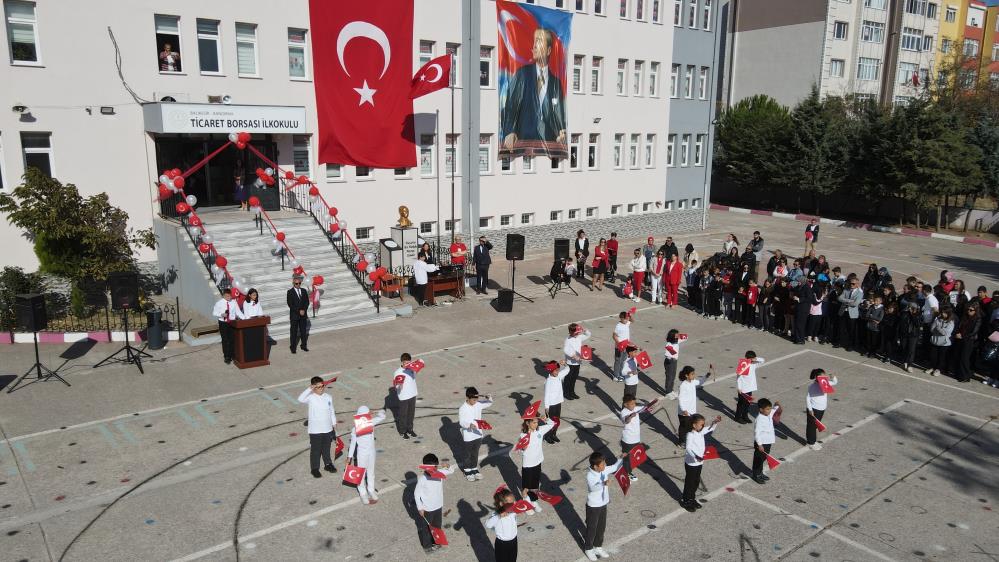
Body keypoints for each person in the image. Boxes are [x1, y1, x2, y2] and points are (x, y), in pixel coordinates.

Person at [500, 28, 567, 154]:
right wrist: (509, 131)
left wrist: (561, 132)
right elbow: (509, 107)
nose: (534, 46)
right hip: (522, 145)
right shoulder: (522, 74)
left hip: (548, 148)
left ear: (548, 50)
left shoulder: (556, 83)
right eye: (534, 41)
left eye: (539, 41)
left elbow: (560, 115)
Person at [583, 452, 624, 561]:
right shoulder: (590, 475)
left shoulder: (604, 469)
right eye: (602, 464)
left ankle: (598, 546)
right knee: (592, 528)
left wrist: (621, 458)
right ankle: (588, 548)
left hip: (603, 503)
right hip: (593, 506)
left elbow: (615, 467)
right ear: (595, 466)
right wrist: (603, 484)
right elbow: (593, 488)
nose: (605, 465)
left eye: (605, 463)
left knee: (601, 527)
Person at [298, 376, 337, 478]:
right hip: (315, 430)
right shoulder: (310, 398)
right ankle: (314, 468)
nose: (321, 389)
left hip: (327, 428)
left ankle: (328, 464)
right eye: (318, 387)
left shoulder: (328, 397)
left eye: (322, 386)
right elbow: (300, 399)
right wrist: (309, 389)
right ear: (313, 388)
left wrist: (334, 422)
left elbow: (331, 410)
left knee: (326, 448)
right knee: (316, 450)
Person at [415, 453, 454, 553]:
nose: (435, 469)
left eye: (436, 467)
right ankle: (427, 546)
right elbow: (416, 494)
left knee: (437, 526)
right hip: (427, 508)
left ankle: (437, 542)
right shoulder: (423, 479)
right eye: (434, 467)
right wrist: (420, 508)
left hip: (438, 505)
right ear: (426, 467)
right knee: (427, 528)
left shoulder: (439, 473)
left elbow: (451, 470)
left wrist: (448, 465)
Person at [347, 405, 386, 504]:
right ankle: (363, 493)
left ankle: (371, 490)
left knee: (371, 472)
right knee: (361, 473)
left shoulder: (371, 423)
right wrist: (349, 456)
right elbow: (352, 444)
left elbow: (382, 416)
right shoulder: (355, 429)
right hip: (361, 453)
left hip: (372, 452)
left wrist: (376, 411)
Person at [682, 414, 722, 511]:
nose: (703, 426)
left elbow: (709, 429)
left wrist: (714, 422)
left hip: (699, 462)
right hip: (692, 463)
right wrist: (696, 456)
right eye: (701, 425)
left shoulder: (700, 431)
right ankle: (686, 501)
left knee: (696, 481)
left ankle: (692, 498)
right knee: (689, 482)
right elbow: (688, 448)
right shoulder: (690, 435)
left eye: (703, 425)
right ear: (694, 425)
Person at [518, 414, 554, 511]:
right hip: (528, 464)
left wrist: (545, 418)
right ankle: (526, 504)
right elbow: (519, 450)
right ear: (527, 423)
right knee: (526, 487)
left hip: (538, 461)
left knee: (535, 485)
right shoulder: (523, 435)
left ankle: (533, 501)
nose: (536, 424)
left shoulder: (540, 430)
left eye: (537, 422)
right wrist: (523, 448)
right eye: (534, 422)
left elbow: (552, 424)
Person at [458, 387, 493, 480]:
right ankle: (467, 470)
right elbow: (461, 422)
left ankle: (474, 468)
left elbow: (489, 403)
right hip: (468, 435)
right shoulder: (463, 408)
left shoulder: (478, 404)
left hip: (478, 434)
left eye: (476, 399)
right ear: (467, 398)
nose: (475, 401)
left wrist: (488, 398)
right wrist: (468, 425)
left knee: (475, 453)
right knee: (467, 454)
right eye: (473, 399)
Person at [677, 365, 711, 445]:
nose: (694, 375)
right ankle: (681, 442)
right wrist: (683, 409)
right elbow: (680, 398)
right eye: (692, 374)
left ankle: (689, 440)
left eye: (693, 374)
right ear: (686, 375)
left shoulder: (692, 382)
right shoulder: (683, 385)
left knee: (690, 427)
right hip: (684, 412)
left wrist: (706, 376)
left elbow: (700, 382)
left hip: (692, 410)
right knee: (683, 427)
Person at [805, 369, 837, 450]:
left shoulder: (825, 383)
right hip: (814, 409)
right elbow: (808, 398)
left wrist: (833, 377)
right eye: (822, 376)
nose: (824, 377)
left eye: (825, 376)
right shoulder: (812, 386)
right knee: (812, 426)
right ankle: (811, 443)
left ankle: (810, 440)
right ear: (817, 377)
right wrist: (810, 409)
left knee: (815, 425)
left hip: (822, 408)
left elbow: (834, 382)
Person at [485, 489, 519, 562]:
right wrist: (498, 516)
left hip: (514, 541)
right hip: (502, 544)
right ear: (501, 504)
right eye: (510, 504)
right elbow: (488, 525)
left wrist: (526, 498)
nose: (513, 505)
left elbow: (522, 505)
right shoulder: (496, 514)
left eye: (513, 502)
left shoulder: (513, 510)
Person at [751, 398, 780, 484]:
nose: (769, 410)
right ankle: (755, 475)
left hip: (768, 442)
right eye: (767, 409)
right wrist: (759, 445)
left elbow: (773, 411)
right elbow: (757, 433)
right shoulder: (759, 419)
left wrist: (776, 405)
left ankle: (760, 473)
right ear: (761, 409)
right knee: (758, 459)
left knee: (763, 458)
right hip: (762, 443)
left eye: (770, 408)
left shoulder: (768, 414)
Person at [619, 394, 644, 482]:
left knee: (632, 456)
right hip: (628, 440)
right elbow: (626, 420)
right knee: (627, 458)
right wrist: (630, 416)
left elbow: (644, 408)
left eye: (634, 403)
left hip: (636, 438)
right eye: (631, 404)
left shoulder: (635, 408)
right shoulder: (624, 412)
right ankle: (627, 473)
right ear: (625, 404)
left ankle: (623, 467)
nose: (633, 405)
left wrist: (652, 405)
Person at [562, 323, 591, 399]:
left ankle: (572, 392)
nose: (577, 334)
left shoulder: (579, 337)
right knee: (568, 379)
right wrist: (573, 356)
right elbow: (565, 350)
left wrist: (585, 330)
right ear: (571, 332)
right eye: (576, 333)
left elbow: (588, 335)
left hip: (577, 363)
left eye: (578, 332)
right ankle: (566, 393)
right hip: (570, 363)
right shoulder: (568, 340)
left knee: (574, 378)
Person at [393, 353, 419, 439]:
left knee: (411, 413)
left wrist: (415, 369)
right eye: (406, 362)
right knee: (403, 415)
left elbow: (414, 378)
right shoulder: (397, 372)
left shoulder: (411, 369)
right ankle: (402, 431)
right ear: (402, 362)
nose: (407, 364)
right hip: (403, 396)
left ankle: (410, 429)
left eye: (409, 362)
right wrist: (399, 386)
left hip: (412, 394)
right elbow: (396, 385)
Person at [953, 305, 981, 382]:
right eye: (968, 309)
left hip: (968, 340)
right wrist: (958, 333)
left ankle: (966, 376)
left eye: (971, 310)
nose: (969, 311)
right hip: (960, 339)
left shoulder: (977, 319)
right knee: (958, 356)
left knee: (964, 358)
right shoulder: (964, 317)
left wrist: (962, 336)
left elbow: (974, 332)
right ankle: (958, 374)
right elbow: (959, 326)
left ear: (975, 311)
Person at [543, 361, 569, 444]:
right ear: (551, 371)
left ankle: (553, 434)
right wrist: (546, 407)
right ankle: (547, 436)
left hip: (558, 403)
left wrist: (565, 364)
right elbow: (546, 395)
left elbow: (568, 369)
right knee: (550, 422)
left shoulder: (559, 376)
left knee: (557, 421)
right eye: (556, 371)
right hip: (551, 405)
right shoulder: (548, 381)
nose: (557, 372)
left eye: (558, 370)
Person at [735, 351, 764, 424]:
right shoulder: (743, 365)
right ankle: (738, 417)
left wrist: (755, 359)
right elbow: (738, 377)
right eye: (751, 358)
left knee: (747, 403)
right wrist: (739, 387)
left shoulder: (754, 364)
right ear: (747, 358)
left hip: (750, 388)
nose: (753, 360)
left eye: (754, 358)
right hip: (743, 389)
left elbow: (763, 360)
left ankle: (745, 416)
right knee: (741, 404)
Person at [837, 277, 863, 351]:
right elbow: (839, 298)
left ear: (857, 284)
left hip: (852, 314)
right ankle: (840, 342)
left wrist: (845, 301)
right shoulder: (846, 290)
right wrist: (849, 301)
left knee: (851, 330)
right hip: (843, 312)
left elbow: (855, 303)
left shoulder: (859, 293)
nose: (851, 285)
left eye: (853, 283)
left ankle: (850, 345)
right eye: (850, 283)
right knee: (841, 328)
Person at [287, 274, 310, 353]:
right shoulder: (290, 292)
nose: (298, 285)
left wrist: (304, 309)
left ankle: (304, 345)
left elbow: (307, 302)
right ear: (293, 283)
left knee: (303, 331)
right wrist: (299, 311)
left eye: (299, 283)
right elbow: (290, 304)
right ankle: (293, 347)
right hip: (294, 315)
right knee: (293, 332)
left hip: (303, 315)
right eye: (296, 283)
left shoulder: (303, 291)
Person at [212, 291, 237, 364]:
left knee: (232, 339)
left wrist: (244, 318)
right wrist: (221, 314)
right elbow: (214, 312)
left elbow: (237, 312)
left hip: (231, 322)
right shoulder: (219, 303)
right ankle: (226, 356)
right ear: (223, 296)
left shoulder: (233, 302)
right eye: (227, 296)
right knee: (225, 340)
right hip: (223, 323)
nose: (228, 298)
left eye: (229, 296)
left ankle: (232, 354)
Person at [928, 309, 954, 377]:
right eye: (942, 312)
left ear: (948, 314)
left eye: (945, 313)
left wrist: (938, 328)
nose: (943, 314)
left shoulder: (951, 322)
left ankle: (938, 369)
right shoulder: (937, 320)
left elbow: (945, 333)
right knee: (933, 355)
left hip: (944, 343)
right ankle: (932, 367)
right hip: (935, 340)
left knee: (941, 356)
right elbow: (932, 329)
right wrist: (939, 329)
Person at [898, 302, 922, 372]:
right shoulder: (904, 313)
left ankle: (910, 365)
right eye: (910, 307)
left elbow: (917, 324)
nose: (911, 309)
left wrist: (913, 314)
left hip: (913, 335)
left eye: (913, 308)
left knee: (911, 350)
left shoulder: (918, 314)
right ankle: (904, 362)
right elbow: (901, 324)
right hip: (904, 334)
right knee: (903, 348)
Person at [612, 312, 632, 385]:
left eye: (627, 318)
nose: (627, 320)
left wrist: (630, 315)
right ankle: (615, 376)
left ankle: (621, 374)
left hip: (626, 346)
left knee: (623, 360)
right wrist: (619, 344)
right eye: (626, 318)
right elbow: (614, 336)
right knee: (618, 361)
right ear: (621, 318)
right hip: (619, 347)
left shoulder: (626, 323)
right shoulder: (618, 326)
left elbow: (632, 321)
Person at [663, 329, 683, 399]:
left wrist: (681, 336)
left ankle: (671, 390)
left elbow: (685, 337)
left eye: (678, 335)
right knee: (669, 376)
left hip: (674, 361)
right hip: (669, 362)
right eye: (676, 335)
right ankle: (668, 392)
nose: (678, 336)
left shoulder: (677, 341)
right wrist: (670, 356)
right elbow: (667, 355)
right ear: (672, 336)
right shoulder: (669, 344)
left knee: (673, 376)